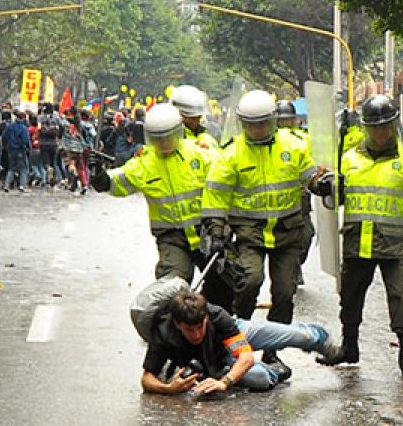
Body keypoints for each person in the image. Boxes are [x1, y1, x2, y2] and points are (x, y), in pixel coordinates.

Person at [201, 89, 329, 378]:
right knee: (249, 282)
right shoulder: (231, 154)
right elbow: (215, 196)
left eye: (262, 123)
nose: (257, 130)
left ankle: (273, 352)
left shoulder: (294, 146)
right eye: (251, 124)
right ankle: (237, 341)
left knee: (284, 292)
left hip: (287, 231)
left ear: (272, 121)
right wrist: (216, 230)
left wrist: (322, 184)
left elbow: (309, 176)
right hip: (249, 232)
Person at [315, 95, 403, 379]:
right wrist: (325, 186)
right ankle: (349, 347)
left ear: (394, 125)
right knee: (350, 298)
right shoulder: (348, 159)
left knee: (402, 296)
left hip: (396, 244)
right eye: (375, 127)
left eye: (386, 126)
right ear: (366, 127)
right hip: (357, 241)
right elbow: (336, 198)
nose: (381, 133)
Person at [93, 103, 233, 312]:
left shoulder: (200, 154)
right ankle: (173, 331)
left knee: (224, 283)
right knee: (172, 286)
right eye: (158, 137)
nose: (164, 142)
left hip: (206, 231)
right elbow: (119, 182)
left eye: (168, 136)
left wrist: (224, 227)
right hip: (172, 237)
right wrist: (100, 177)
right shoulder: (144, 163)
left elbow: (225, 179)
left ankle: (214, 324)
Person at [140, 291, 339, 395]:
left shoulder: (216, 315)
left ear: (206, 318)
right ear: (177, 324)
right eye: (189, 330)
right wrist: (169, 389)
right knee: (260, 379)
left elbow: (245, 355)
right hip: (217, 362)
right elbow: (147, 378)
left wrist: (225, 383)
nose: (196, 334)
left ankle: (318, 337)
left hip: (234, 334)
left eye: (200, 327)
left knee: (302, 336)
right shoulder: (164, 332)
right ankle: (276, 370)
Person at [275, 100, 314, 287]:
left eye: (287, 120)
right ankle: (290, 268)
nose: (284, 124)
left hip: (302, 195)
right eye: (281, 121)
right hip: (279, 198)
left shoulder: (304, 140)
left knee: (306, 235)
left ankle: (296, 264)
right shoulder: (270, 140)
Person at [170, 85, 219, 150]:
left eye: (199, 116)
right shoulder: (169, 136)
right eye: (192, 117)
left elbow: (214, 151)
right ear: (179, 114)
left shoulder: (203, 134)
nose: (196, 121)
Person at [3, 112, 33, 193]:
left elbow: (4, 136)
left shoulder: (10, 126)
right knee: (24, 169)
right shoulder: (23, 128)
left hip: (10, 150)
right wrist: (29, 148)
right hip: (20, 149)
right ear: (23, 118)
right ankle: (22, 185)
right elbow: (26, 140)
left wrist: (6, 146)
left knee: (11, 168)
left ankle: (6, 185)